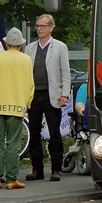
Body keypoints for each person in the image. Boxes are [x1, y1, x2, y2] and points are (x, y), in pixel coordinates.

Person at [0, 28, 34, 190]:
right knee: (13, 143)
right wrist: (27, 104)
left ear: (6, 43)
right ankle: (11, 179)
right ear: (20, 44)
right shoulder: (25, 60)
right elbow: (30, 85)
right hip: (16, 106)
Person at [23, 13, 70, 182]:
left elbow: (65, 72)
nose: (39, 29)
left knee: (54, 133)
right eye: (38, 26)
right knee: (34, 134)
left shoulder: (60, 47)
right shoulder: (30, 48)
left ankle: (56, 169)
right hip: (34, 95)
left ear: (51, 27)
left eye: (43, 26)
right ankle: (37, 169)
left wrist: (65, 94)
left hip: (52, 95)